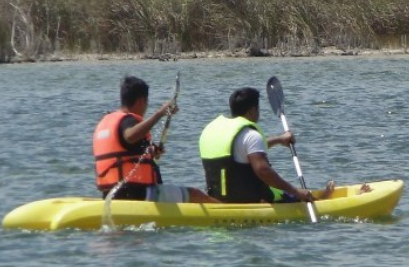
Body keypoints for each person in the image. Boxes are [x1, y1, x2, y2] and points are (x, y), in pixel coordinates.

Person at [93, 76, 218, 203]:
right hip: (137, 193)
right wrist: (160, 113)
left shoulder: (106, 121)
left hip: (111, 193)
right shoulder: (128, 120)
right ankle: (230, 212)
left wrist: (150, 151)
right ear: (142, 101)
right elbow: (129, 136)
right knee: (195, 194)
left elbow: (126, 150)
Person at [199, 86, 330, 203]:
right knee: (295, 196)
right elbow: (263, 171)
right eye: (258, 109)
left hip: (218, 198)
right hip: (252, 199)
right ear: (252, 111)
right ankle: (320, 200)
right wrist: (296, 191)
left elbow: (243, 151)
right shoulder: (251, 135)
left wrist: (279, 139)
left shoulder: (213, 131)